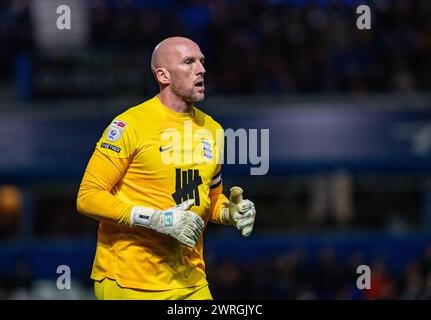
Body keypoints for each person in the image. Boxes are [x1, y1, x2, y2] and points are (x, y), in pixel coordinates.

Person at [76, 37, 256, 300]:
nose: (201, 69)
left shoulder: (213, 130)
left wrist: (230, 212)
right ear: (163, 75)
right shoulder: (130, 125)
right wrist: (156, 220)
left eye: (202, 61)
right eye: (189, 62)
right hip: (130, 281)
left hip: (191, 280)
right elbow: (88, 197)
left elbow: (210, 198)